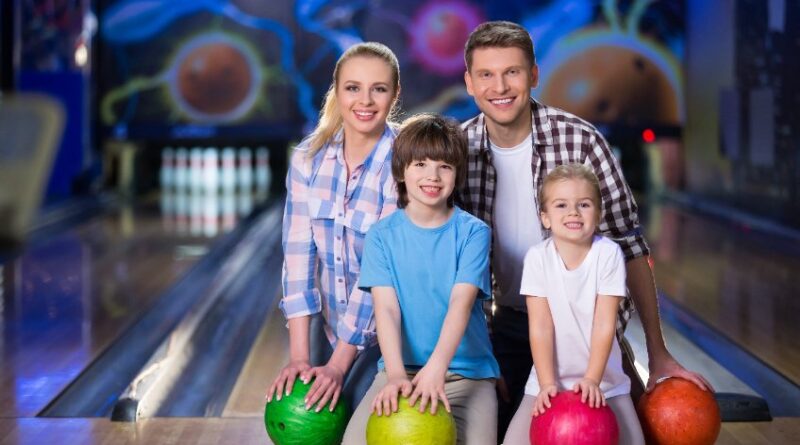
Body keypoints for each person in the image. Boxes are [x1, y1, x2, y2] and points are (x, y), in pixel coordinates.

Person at [457, 20, 712, 437]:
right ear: (469, 82)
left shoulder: (581, 140)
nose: (499, 86)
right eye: (486, 74)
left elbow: (629, 246)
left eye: (512, 72)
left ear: (534, 75)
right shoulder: (460, 149)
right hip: (502, 329)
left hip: (592, 330)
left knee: (638, 433)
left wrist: (658, 351)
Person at [342, 114, 500, 445]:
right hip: (401, 370)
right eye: (420, 164)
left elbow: (461, 303)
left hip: (465, 374)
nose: (432, 175)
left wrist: (437, 368)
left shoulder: (472, 233)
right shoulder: (382, 236)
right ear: (401, 171)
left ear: (457, 175)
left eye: (444, 166)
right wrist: (396, 376)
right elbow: (386, 310)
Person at [265, 42, 401, 414]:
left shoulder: (405, 162)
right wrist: (300, 357)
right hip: (330, 327)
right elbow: (298, 257)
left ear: (394, 95)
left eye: (379, 88)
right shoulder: (308, 157)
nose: (366, 100)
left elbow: (379, 271)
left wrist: (339, 366)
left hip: (391, 335)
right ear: (337, 91)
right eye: (353, 87)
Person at [503, 164, 645, 445]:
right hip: (549, 379)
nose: (573, 212)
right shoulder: (537, 258)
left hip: (605, 381)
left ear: (599, 214)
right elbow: (541, 327)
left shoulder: (608, 254)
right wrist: (546, 384)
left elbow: (605, 325)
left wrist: (592, 380)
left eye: (584, 204)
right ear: (545, 217)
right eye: (561, 205)